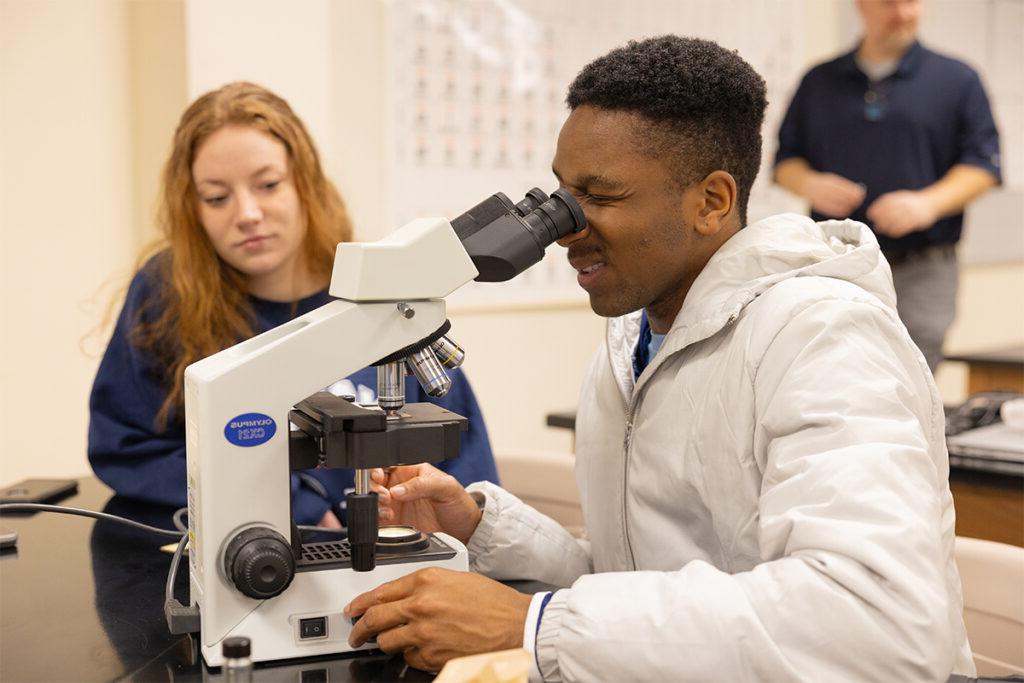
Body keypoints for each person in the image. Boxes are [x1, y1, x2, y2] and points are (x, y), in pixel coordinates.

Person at [343, 36, 975, 681]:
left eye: (601, 197)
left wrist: (531, 626)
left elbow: (877, 622)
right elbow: (648, 588)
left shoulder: (823, 335)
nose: (564, 230)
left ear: (711, 202)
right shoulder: (634, 341)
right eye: (562, 194)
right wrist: (485, 530)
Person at [88, 82, 497, 528]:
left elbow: (468, 477)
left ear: (304, 181)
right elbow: (127, 450)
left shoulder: (383, 288)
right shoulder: (165, 294)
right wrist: (295, 505)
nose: (246, 213)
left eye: (267, 184)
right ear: (192, 207)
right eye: (216, 197)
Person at [774, 0, 1001, 372]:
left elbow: (983, 166)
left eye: (912, 2)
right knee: (831, 371)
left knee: (910, 377)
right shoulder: (818, 81)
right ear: (861, 6)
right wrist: (811, 183)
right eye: (890, 3)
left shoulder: (958, 80)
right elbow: (786, 162)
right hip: (835, 262)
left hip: (923, 266)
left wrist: (928, 204)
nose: (904, 14)